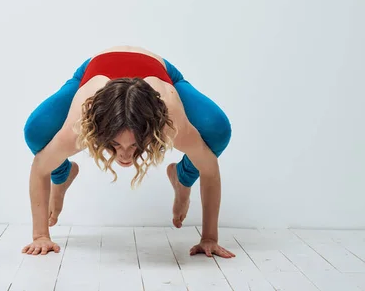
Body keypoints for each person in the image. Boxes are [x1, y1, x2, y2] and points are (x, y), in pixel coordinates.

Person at [22, 45, 235, 258]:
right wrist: (40, 236)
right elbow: (40, 167)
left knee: (217, 130)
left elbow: (209, 169)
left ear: (153, 132)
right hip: (96, 68)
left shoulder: (171, 123)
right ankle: (62, 175)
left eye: (134, 145)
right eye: (115, 144)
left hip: (158, 70)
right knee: (37, 132)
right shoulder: (81, 122)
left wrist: (209, 238)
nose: (124, 156)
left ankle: (183, 178)